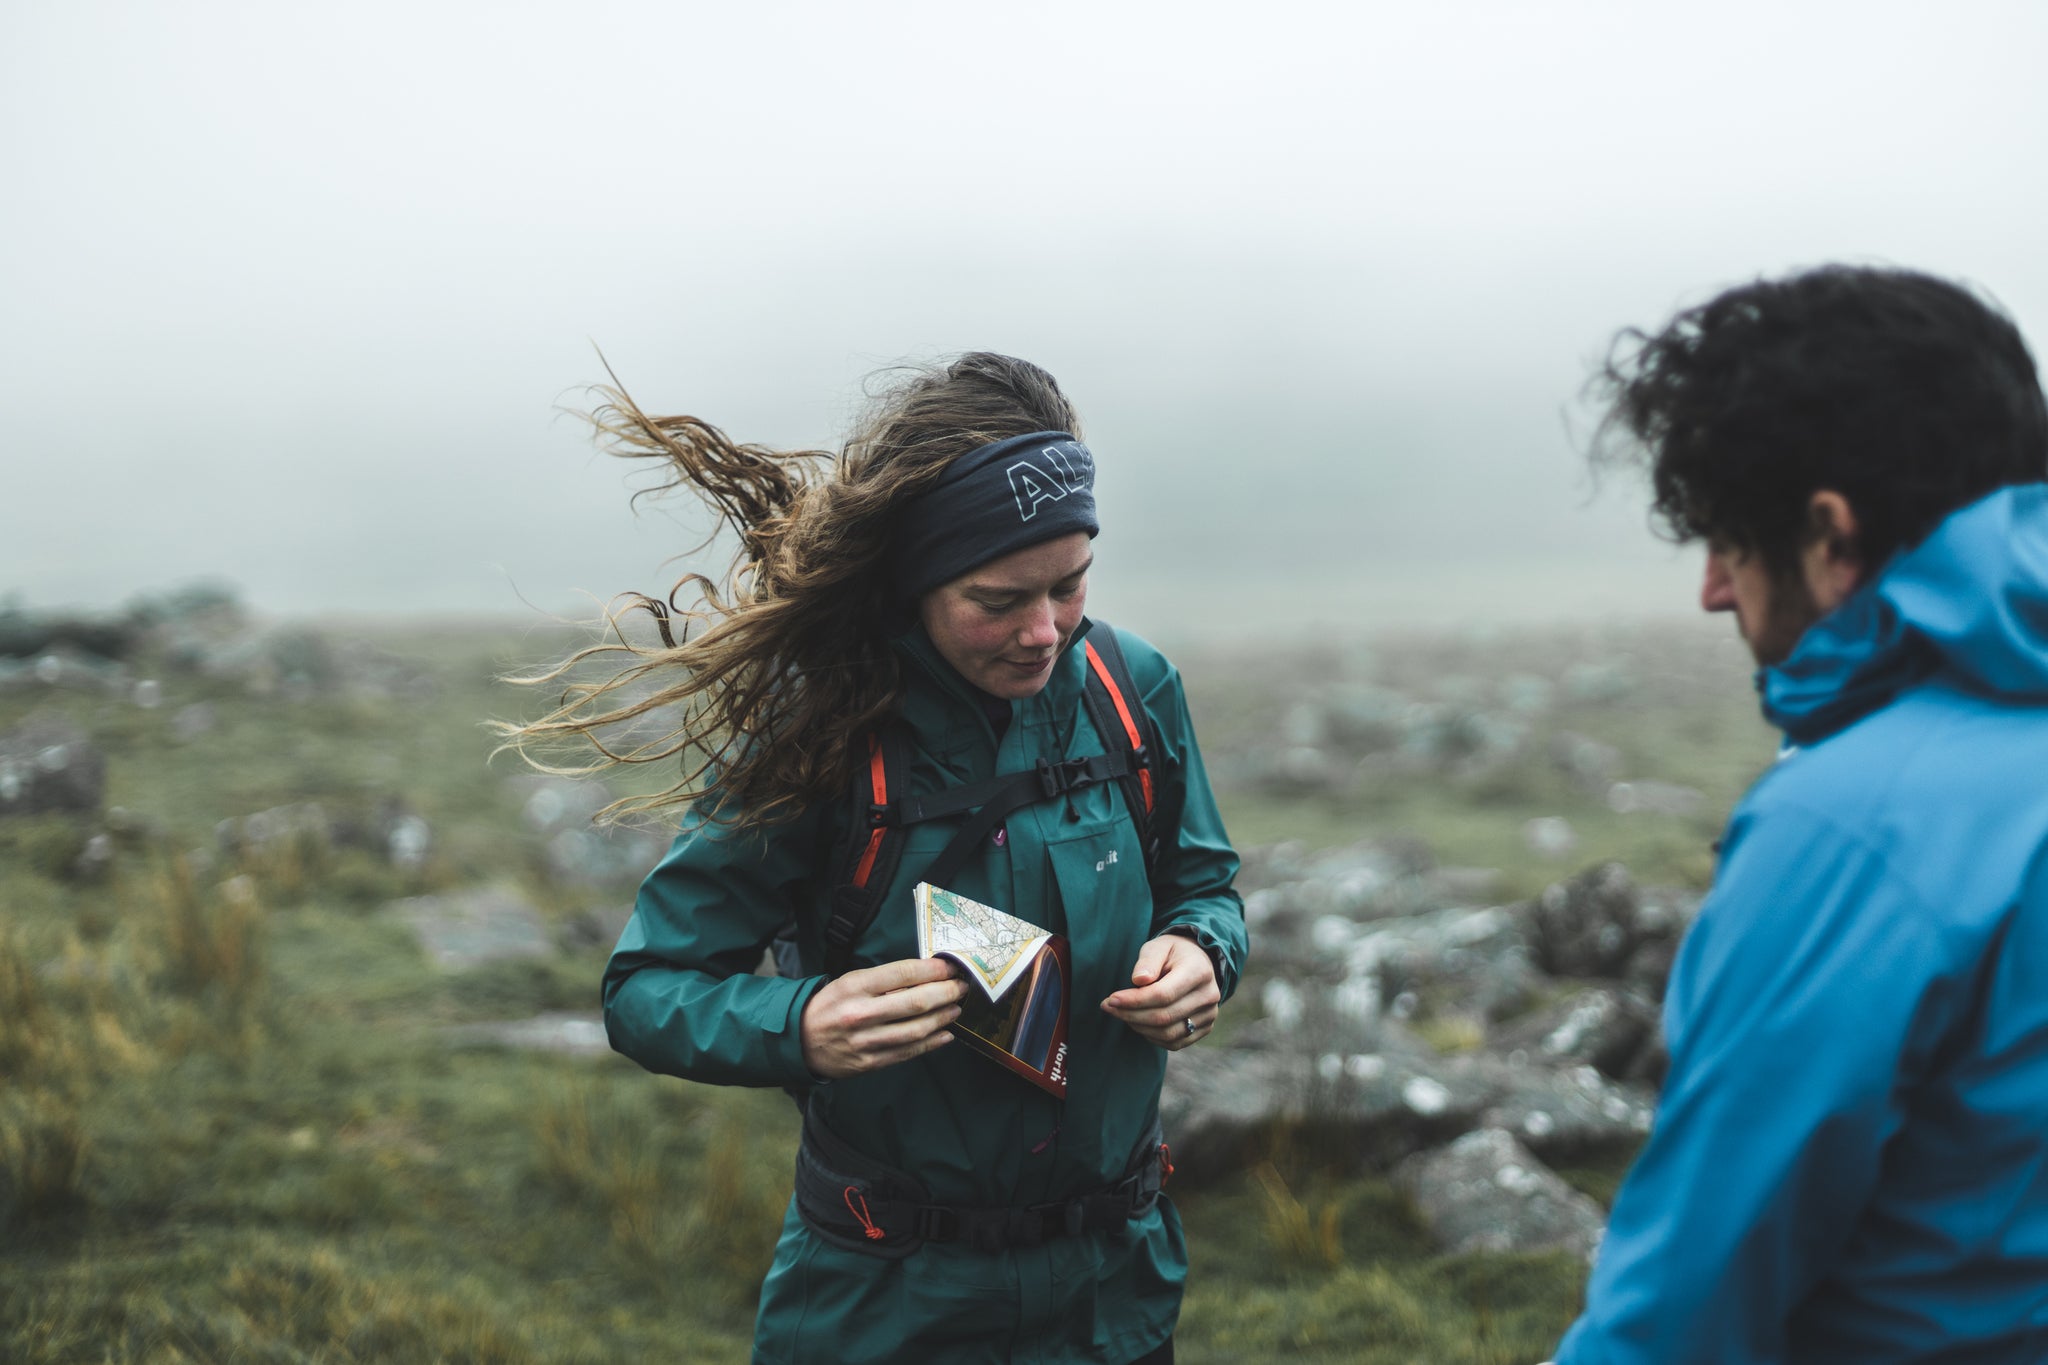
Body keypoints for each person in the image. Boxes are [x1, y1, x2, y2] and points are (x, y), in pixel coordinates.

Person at [513, 352, 1246, 1364]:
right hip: (886, 1309)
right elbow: (645, 989)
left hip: (1111, 1303)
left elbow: (1202, 887)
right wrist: (800, 1024)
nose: (1044, 632)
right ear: (915, 583)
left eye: (1069, 585)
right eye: (997, 599)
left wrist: (1203, 954)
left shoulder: (1130, 690)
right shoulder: (818, 728)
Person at [1551, 266, 2048, 1364]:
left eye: (1726, 542)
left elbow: (1684, 1306)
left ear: (1829, 538)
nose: (1712, 593)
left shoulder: (1851, 826)